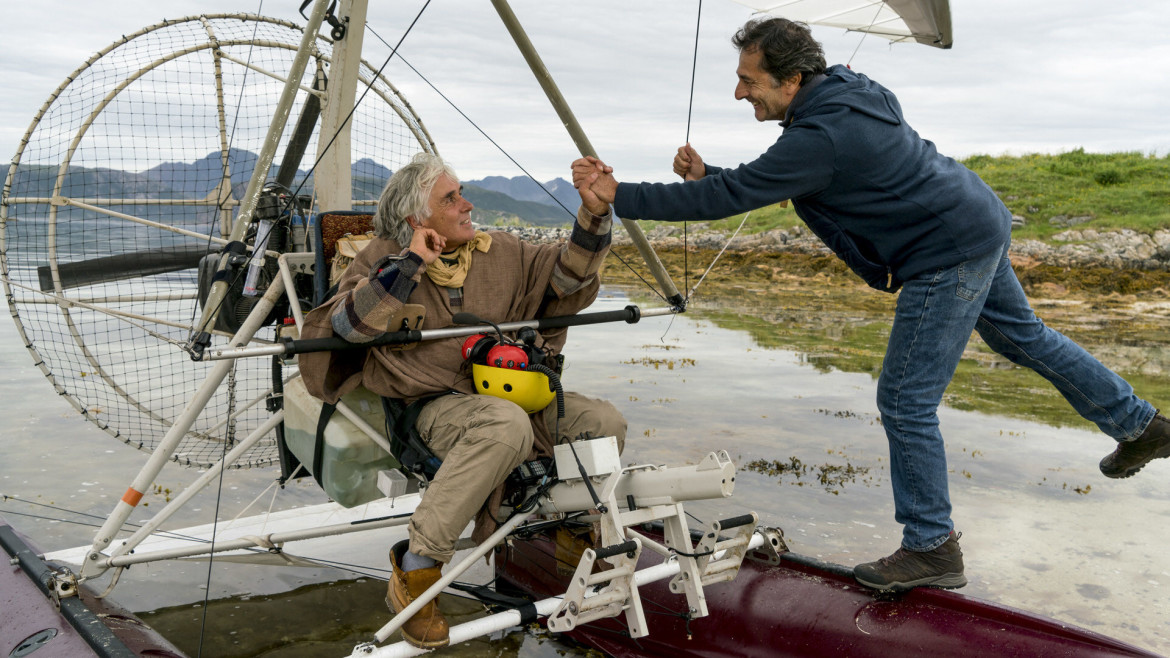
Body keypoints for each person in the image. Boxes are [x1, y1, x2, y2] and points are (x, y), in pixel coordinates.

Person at [571, 17, 1170, 593]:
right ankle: (1142, 426)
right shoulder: (847, 94)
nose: (739, 92)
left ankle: (931, 546)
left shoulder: (821, 135)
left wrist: (617, 193)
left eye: (749, 81)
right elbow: (783, 179)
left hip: (945, 250)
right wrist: (708, 173)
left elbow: (735, 194)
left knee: (906, 400)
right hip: (974, 219)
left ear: (792, 79)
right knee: (1023, 338)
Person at [300, 152, 626, 648]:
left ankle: (568, 533)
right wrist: (411, 265)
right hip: (428, 408)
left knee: (602, 422)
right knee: (505, 425)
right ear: (416, 218)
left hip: (509, 395)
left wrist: (594, 214)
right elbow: (348, 326)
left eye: (462, 193)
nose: (467, 204)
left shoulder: (502, 251)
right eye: (450, 198)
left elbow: (569, 277)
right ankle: (416, 568)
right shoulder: (381, 258)